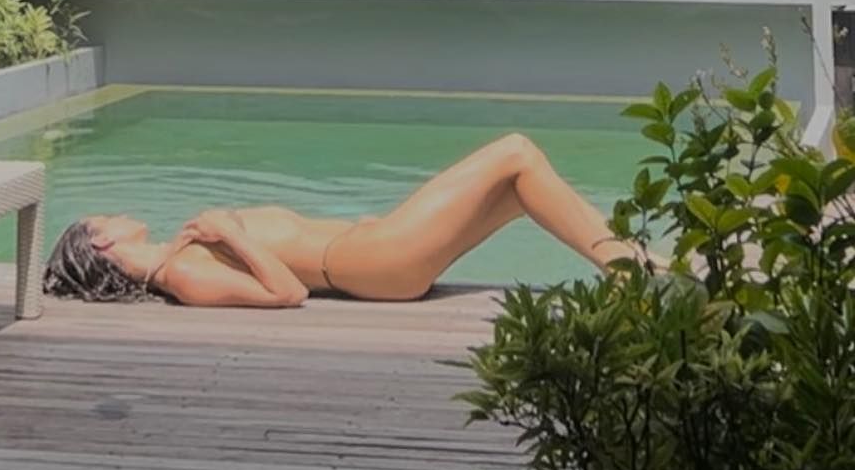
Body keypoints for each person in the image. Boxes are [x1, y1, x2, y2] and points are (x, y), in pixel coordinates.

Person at [42, 131, 640, 307]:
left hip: (374, 249)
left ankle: (636, 263)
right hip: (375, 264)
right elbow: (286, 293)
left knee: (519, 190)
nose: (119, 213)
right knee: (515, 153)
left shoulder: (179, 254)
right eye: (106, 217)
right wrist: (232, 235)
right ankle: (627, 271)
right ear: (103, 243)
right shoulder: (180, 276)